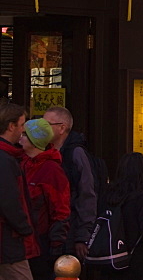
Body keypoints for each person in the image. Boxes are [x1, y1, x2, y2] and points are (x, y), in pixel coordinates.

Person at [42, 107, 97, 261]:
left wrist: (82, 236)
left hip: (69, 231)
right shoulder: (45, 151)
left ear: (62, 128)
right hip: (49, 231)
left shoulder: (76, 153)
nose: (42, 128)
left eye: (47, 124)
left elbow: (87, 195)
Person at [19, 119, 69, 280]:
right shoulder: (23, 162)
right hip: (23, 240)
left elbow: (60, 210)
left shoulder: (51, 170)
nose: (20, 136)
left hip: (41, 243)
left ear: (35, 141)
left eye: (25, 134)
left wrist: (56, 246)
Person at [0, 103, 38, 280]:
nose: (24, 130)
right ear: (11, 126)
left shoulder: (9, 157)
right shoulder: (6, 159)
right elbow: (9, 201)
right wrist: (25, 228)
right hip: (7, 242)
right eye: (22, 124)